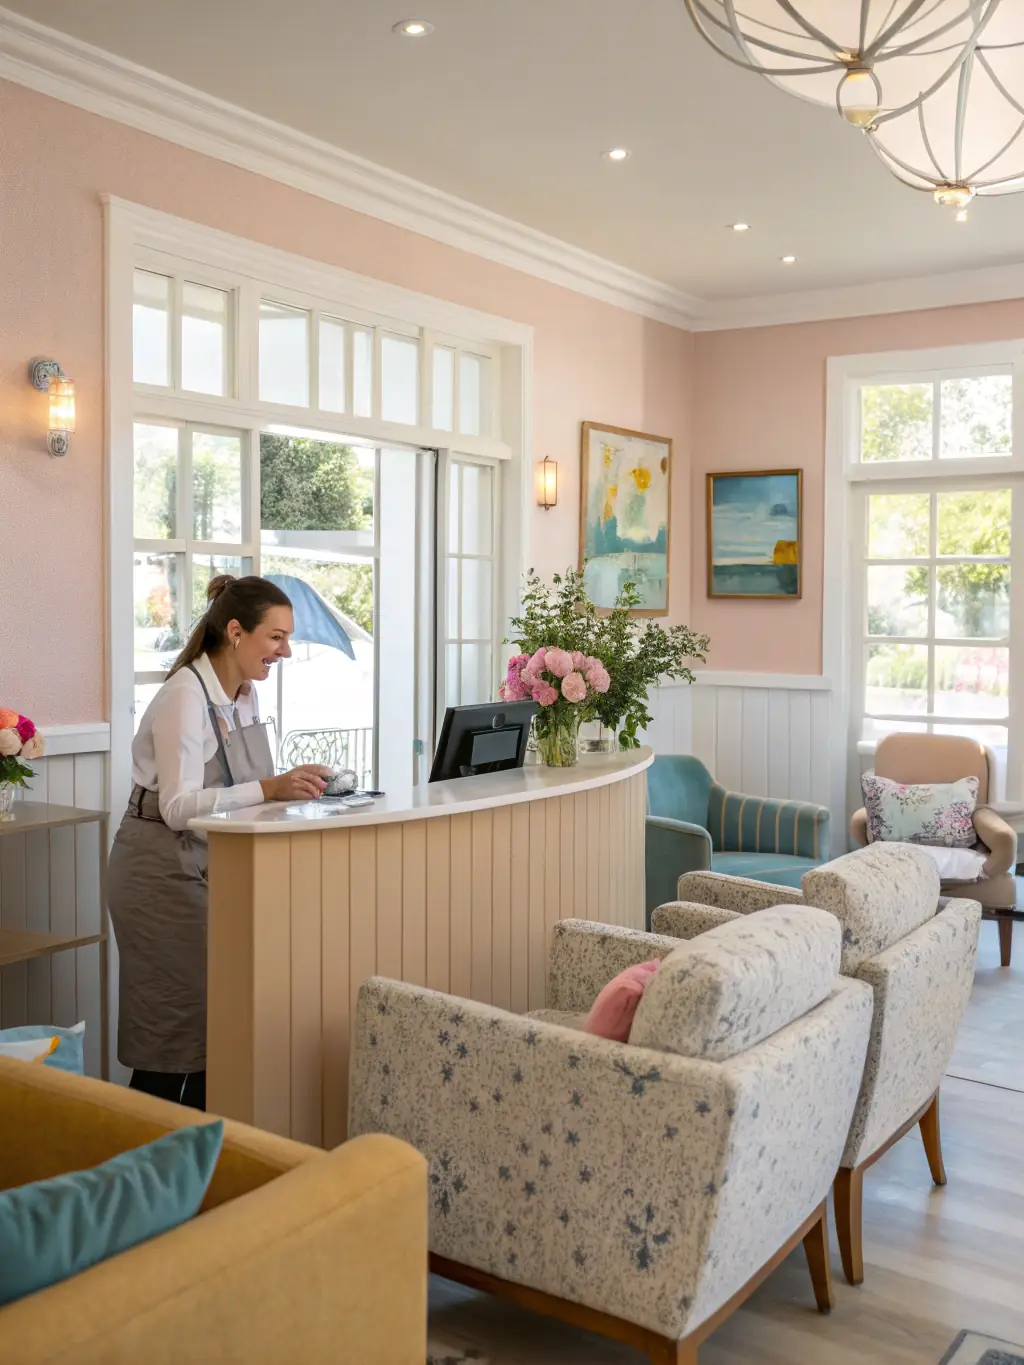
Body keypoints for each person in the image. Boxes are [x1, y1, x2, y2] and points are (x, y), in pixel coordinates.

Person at [108, 574, 331, 1110]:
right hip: (158, 867)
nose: (287, 651)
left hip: (211, 864)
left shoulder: (243, 696)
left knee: (215, 1027)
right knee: (175, 1033)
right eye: (277, 638)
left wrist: (298, 790)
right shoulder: (185, 695)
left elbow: (245, 792)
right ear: (235, 631)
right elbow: (178, 807)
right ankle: (140, 1168)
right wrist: (269, 788)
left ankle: (202, 1162)